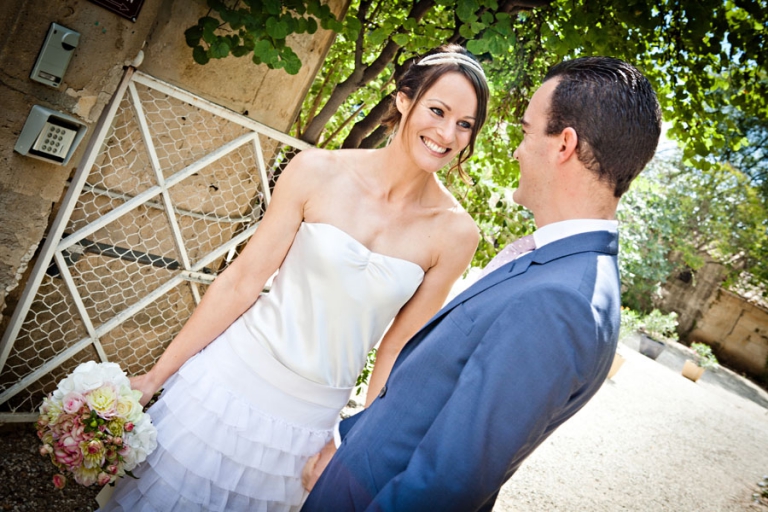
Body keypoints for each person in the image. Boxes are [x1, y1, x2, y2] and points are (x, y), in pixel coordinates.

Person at [99, 44, 489, 512]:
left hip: (310, 422)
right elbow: (242, 280)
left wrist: (354, 447)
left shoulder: (456, 233)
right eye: (438, 110)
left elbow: (398, 350)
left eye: (464, 124)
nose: (447, 133)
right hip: (226, 386)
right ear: (403, 99)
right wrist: (155, 377)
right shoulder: (316, 171)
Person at [300, 56, 662, 511]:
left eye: (528, 132)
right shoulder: (561, 269)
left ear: (564, 144)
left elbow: (447, 484)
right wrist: (349, 443)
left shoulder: (560, 303)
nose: (517, 150)